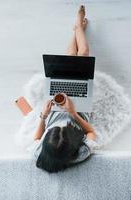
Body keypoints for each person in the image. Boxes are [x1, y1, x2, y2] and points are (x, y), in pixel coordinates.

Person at [31, 5, 97, 173]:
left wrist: (44, 116)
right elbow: (91, 132)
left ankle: (77, 29)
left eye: (54, 130)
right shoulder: (80, 153)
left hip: (54, 106)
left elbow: (37, 137)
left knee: (68, 62)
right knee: (83, 55)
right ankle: (78, 26)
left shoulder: (39, 152)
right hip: (79, 109)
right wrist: (73, 113)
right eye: (65, 130)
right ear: (72, 143)